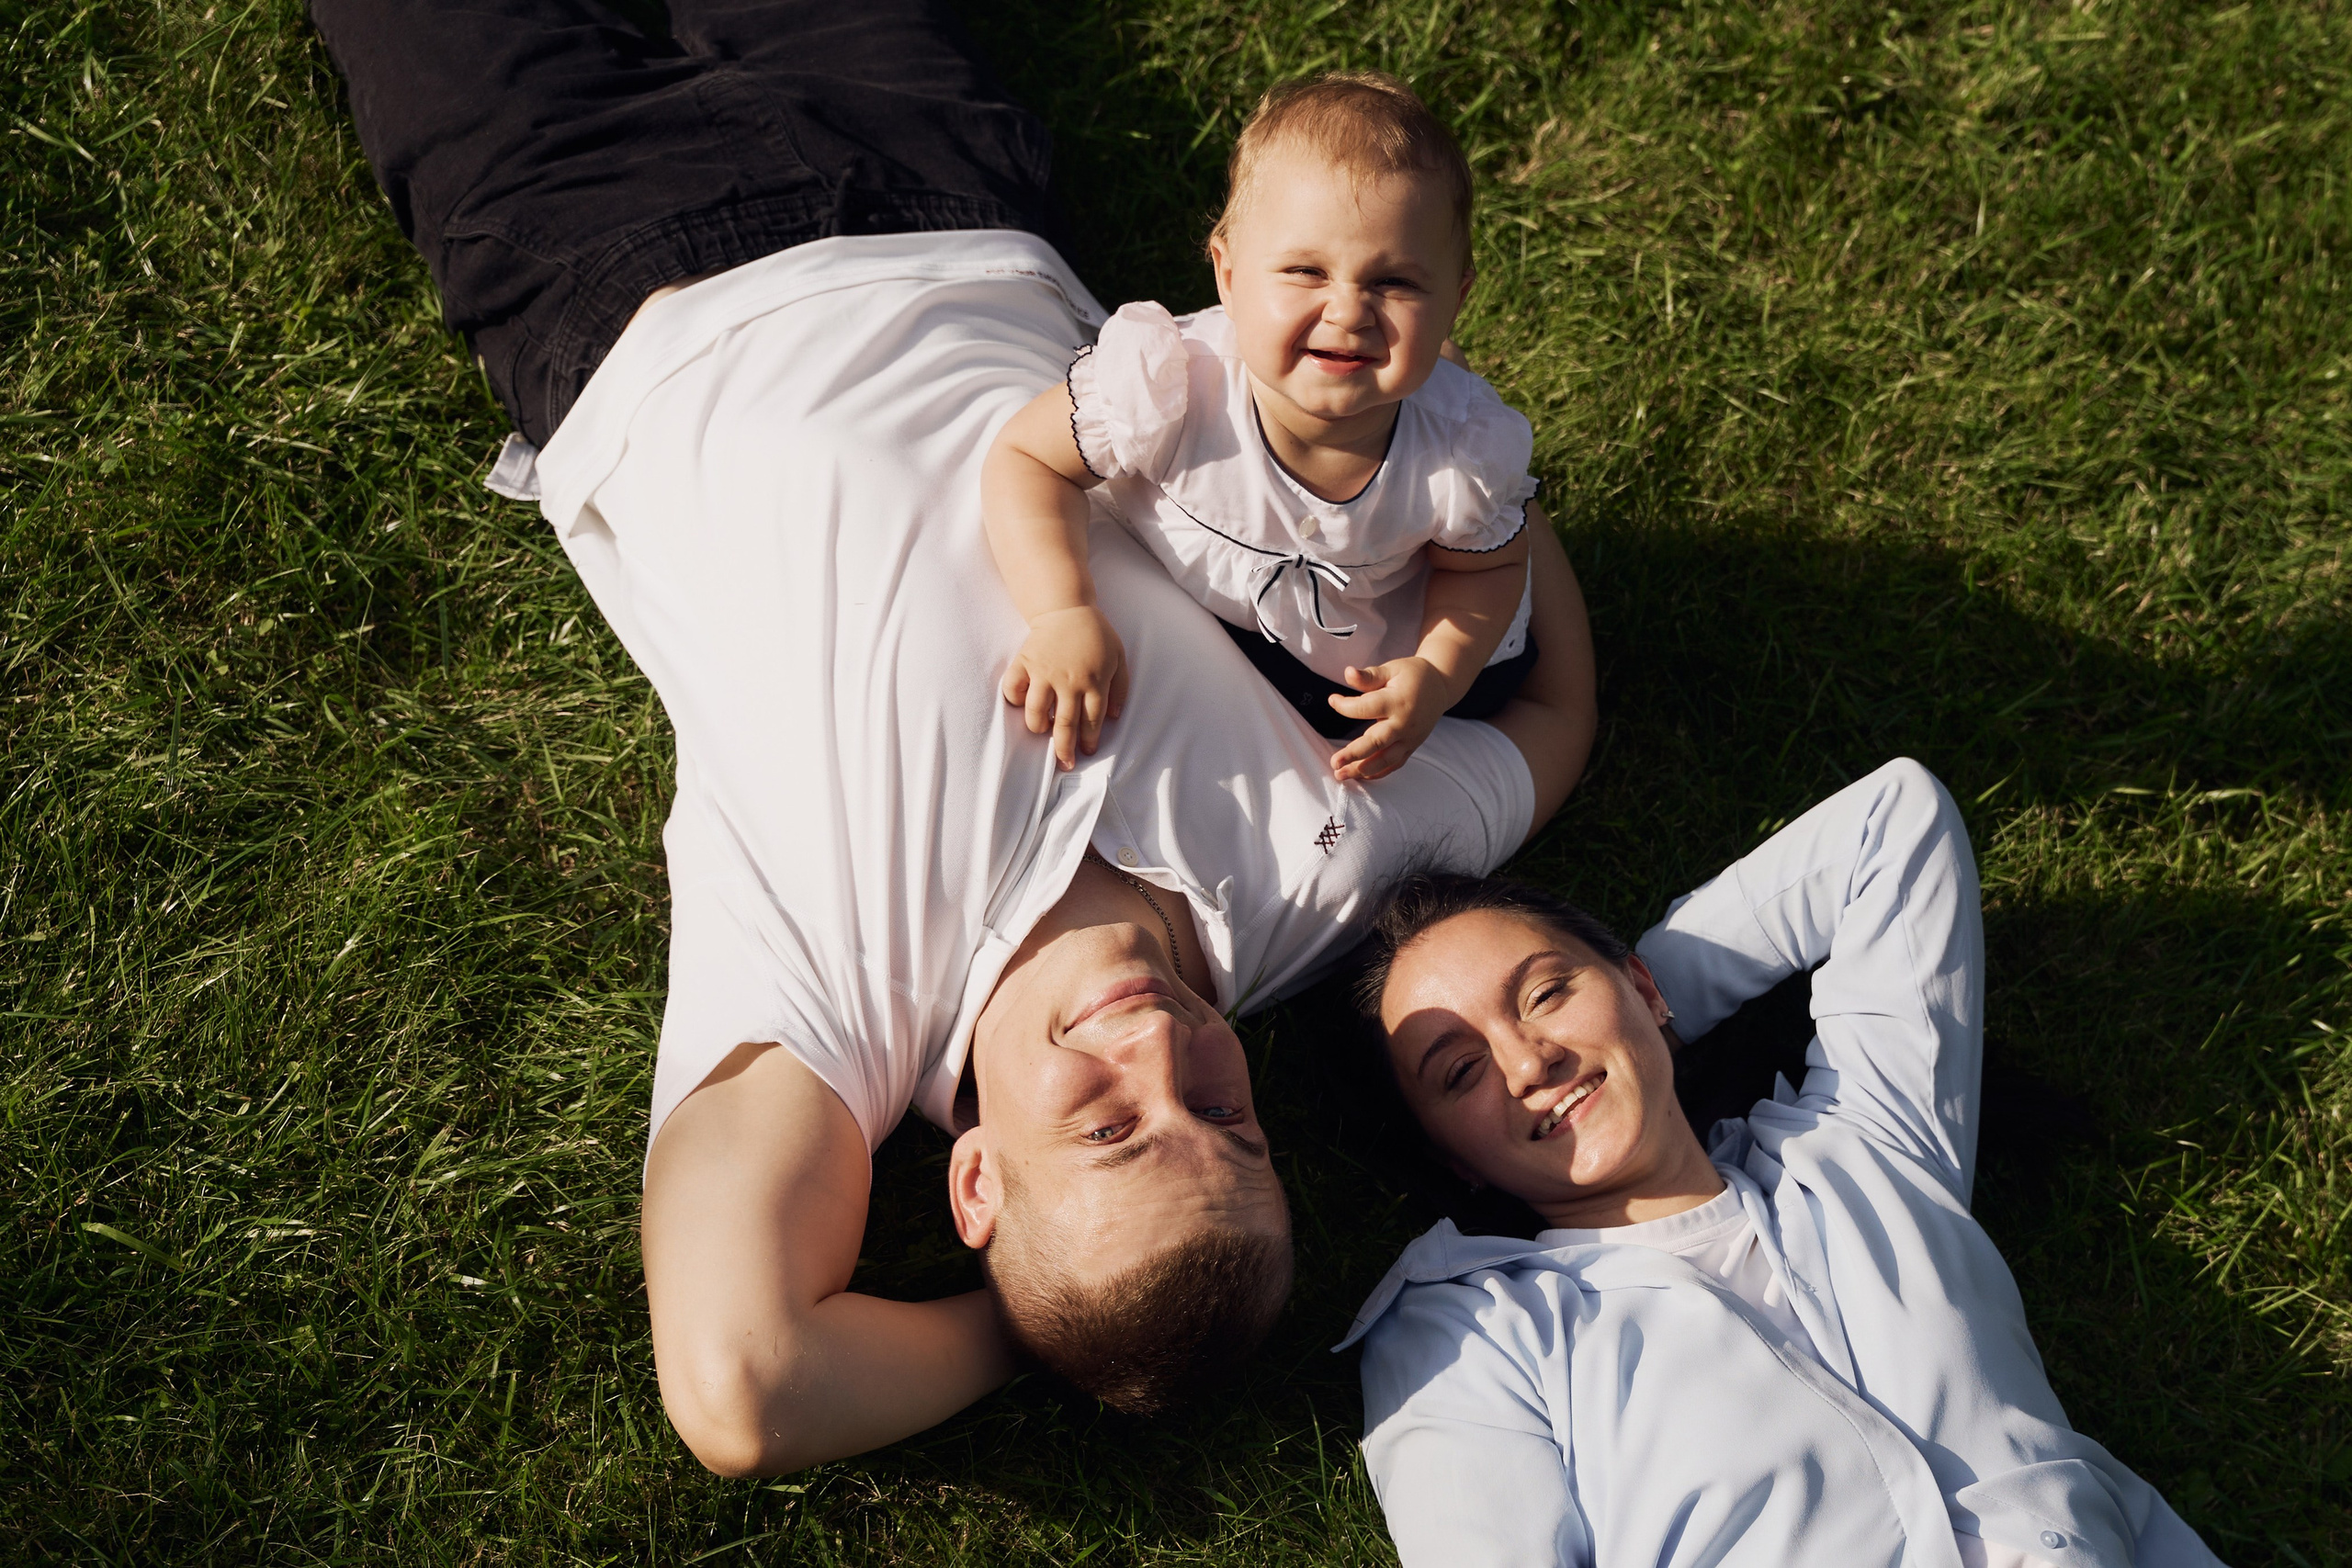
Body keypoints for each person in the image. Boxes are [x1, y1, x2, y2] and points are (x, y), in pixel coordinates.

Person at [308, 0, 1597, 1476]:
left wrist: (1050, 1316)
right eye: (1227, 1121)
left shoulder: (843, 1000)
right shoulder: (1324, 863)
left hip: (601, 252)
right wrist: (1472, 492)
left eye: (1111, 1131)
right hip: (943, 185)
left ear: (975, 1184)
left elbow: (744, 1388)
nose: (1163, 1051)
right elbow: (1555, 714)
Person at [1340, 760, 2225, 1566]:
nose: (1531, 1061)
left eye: (1546, 992)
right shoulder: (1474, 1333)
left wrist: (1649, 1017)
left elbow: (1893, 825)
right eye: (1462, 1072)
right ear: (1451, 1158)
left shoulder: (1858, 1145)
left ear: (1640, 985)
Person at [982, 72, 1535, 783]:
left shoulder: (1459, 454)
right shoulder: (1172, 388)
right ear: (1229, 275)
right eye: (1306, 270)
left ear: (1456, 298)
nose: (1349, 311)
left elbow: (1486, 570)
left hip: (1376, 656)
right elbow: (1027, 458)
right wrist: (1061, 611)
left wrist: (1438, 672)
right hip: (1214, 635)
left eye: (1394, 282)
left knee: (1494, 686)